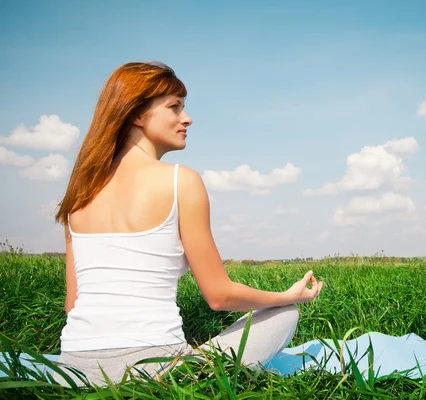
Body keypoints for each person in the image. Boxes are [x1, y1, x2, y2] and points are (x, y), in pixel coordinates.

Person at [52, 61, 323, 387]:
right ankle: (191, 370)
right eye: (174, 107)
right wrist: (286, 295)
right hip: (155, 372)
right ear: (137, 115)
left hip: (73, 370)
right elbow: (219, 296)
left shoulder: (78, 194)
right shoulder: (182, 181)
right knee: (284, 315)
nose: (187, 118)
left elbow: (73, 305)